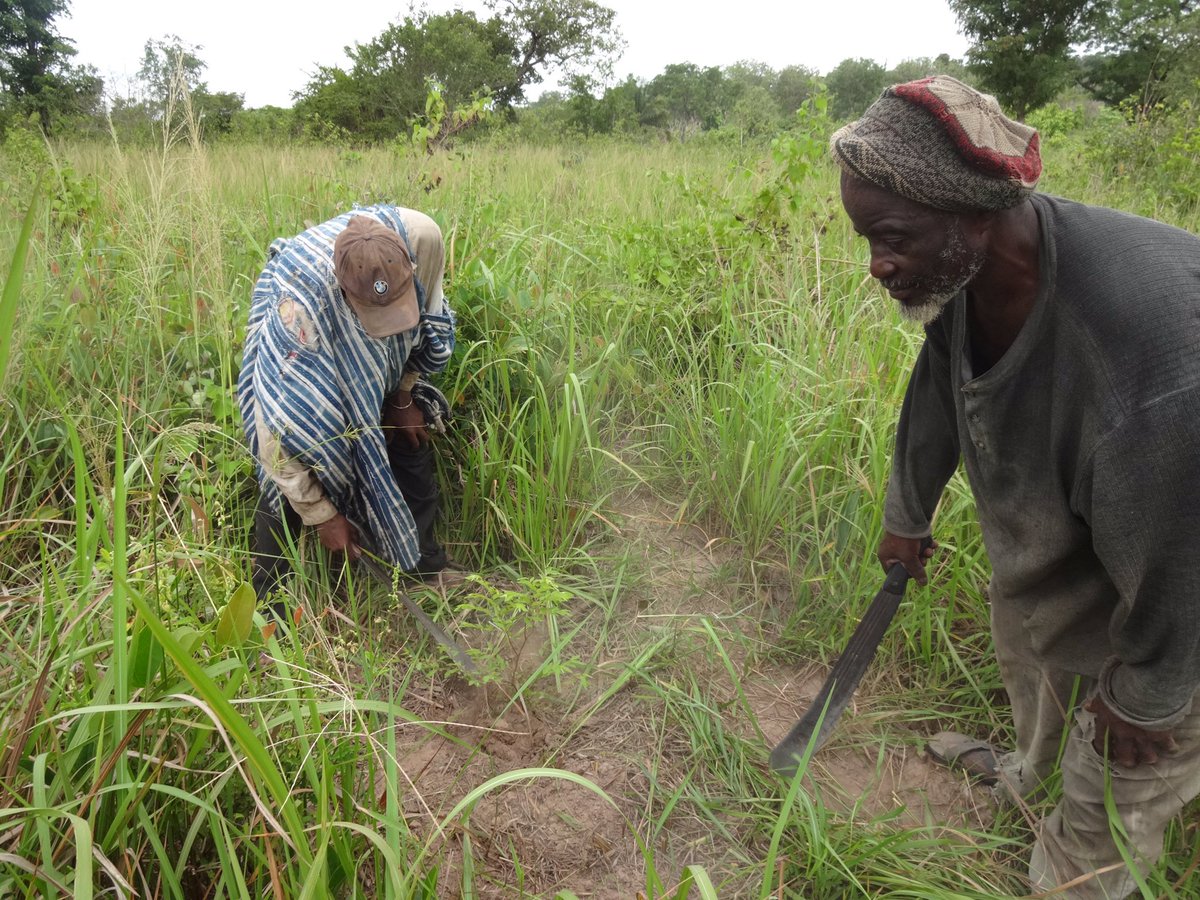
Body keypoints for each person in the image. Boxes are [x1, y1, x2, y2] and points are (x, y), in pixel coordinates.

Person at [830, 75, 1200, 898]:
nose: (875, 264)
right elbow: (939, 384)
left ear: (974, 214)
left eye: (891, 237)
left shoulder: (1154, 352)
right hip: (1104, 535)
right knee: (1037, 648)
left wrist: (1150, 701)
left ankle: (1078, 858)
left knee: (1113, 788)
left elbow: (1185, 555)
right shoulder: (976, 274)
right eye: (866, 238)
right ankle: (1031, 778)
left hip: (1188, 590)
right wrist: (908, 510)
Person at [237, 205, 460, 623]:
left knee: (408, 435)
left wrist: (402, 395)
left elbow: (428, 318)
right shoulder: (299, 313)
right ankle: (269, 613)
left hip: (376, 354)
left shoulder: (422, 238)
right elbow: (276, 436)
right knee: (288, 470)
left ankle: (423, 567)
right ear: (344, 296)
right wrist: (322, 516)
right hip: (309, 353)